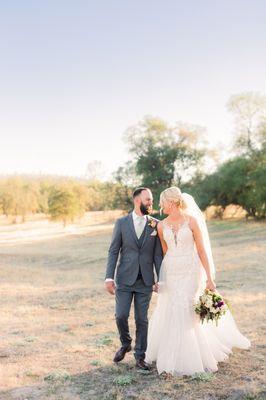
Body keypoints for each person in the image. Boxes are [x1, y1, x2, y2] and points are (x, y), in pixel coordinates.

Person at [145, 186, 251, 376]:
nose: (160, 206)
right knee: (170, 308)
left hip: (191, 270)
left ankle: (194, 354)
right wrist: (160, 278)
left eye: (162, 202)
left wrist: (209, 278)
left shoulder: (192, 221)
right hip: (172, 272)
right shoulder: (161, 226)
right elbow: (164, 252)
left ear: (172, 202)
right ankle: (172, 354)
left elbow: (201, 250)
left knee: (187, 307)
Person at [105, 187, 163, 370]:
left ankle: (140, 356)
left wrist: (159, 279)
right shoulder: (121, 223)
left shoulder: (155, 224)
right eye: (148, 199)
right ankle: (125, 342)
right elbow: (114, 250)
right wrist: (109, 277)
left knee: (142, 320)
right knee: (121, 315)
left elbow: (157, 256)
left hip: (145, 281)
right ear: (137, 201)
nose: (151, 203)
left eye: (151, 200)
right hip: (124, 279)